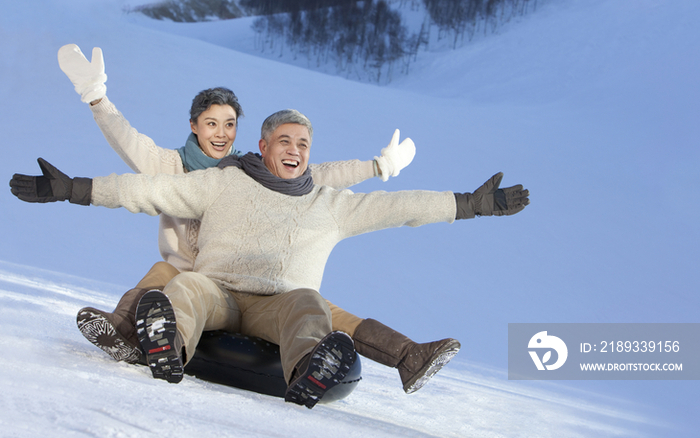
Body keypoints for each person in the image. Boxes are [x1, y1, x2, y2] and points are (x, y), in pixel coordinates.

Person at [10, 109, 529, 407]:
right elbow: (147, 190)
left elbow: (402, 207)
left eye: (303, 142)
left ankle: (311, 370)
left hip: (276, 307)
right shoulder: (224, 182)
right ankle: (166, 347)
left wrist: (470, 204)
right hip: (218, 293)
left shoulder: (331, 204)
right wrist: (71, 188)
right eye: (285, 140)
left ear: (309, 151)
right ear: (264, 145)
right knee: (185, 287)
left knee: (309, 302)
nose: (295, 149)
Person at [54, 44, 460, 396]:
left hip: (258, 283)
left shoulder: (246, 171)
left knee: (315, 307)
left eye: (229, 125)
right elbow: (131, 153)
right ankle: (130, 334)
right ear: (194, 126)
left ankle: (406, 356)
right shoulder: (172, 166)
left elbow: (317, 176)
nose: (221, 133)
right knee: (168, 274)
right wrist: (96, 98)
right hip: (196, 280)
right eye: (211, 123)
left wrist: (377, 166)